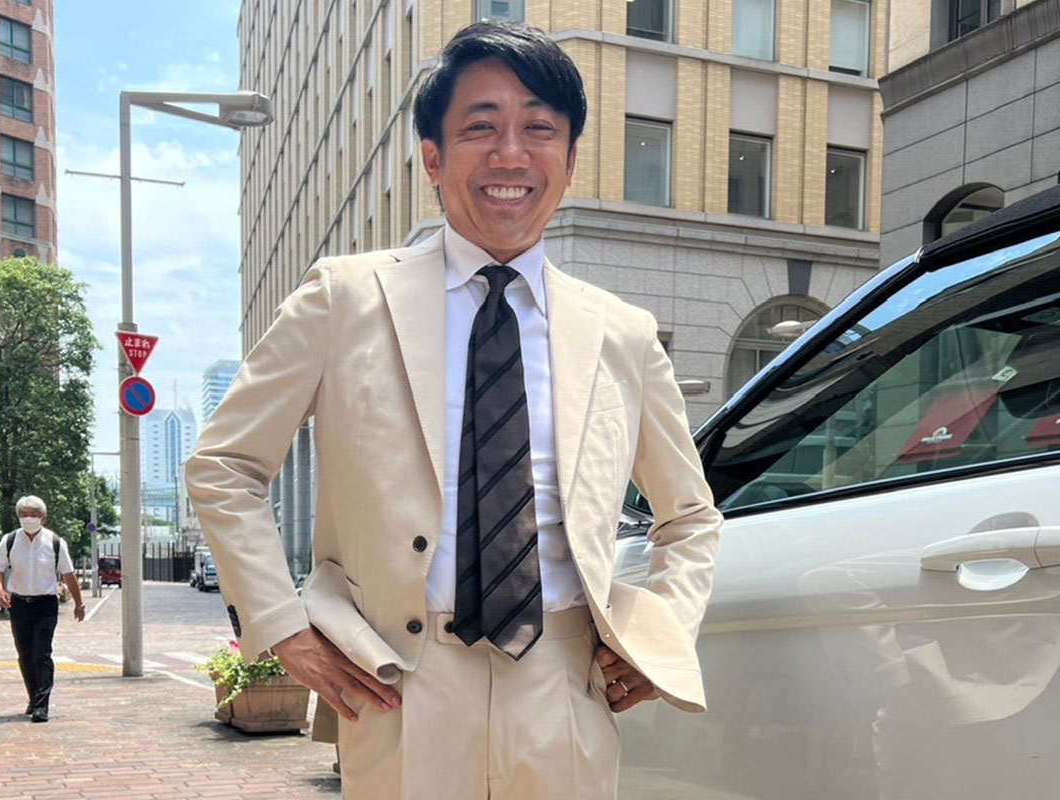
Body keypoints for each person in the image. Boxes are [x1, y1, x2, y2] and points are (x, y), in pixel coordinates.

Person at [186, 21, 722, 799]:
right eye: (481, 127)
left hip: (564, 687)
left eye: (539, 128)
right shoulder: (344, 299)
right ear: (433, 158)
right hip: (402, 687)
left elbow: (691, 517)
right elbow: (224, 465)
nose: (511, 154)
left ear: (571, 160)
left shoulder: (624, 336)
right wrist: (281, 626)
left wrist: (662, 631)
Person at [0, 495, 85, 723]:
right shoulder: (10, 540)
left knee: (41, 653)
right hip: (20, 604)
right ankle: (33, 696)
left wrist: (79, 603)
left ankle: (42, 705)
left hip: (45, 604)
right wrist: (0, 591)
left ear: (44, 518)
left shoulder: (55, 542)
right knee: (25, 654)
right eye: (24, 514)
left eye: (33, 514)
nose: (28, 518)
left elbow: (69, 574)